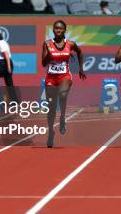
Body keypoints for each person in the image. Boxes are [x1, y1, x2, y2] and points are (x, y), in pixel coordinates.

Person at [42, 20, 86, 148]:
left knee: (62, 94)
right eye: (56, 28)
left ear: (64, 30)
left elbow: (80, 52)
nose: (58, 30)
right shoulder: (47, 44)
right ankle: (51, 132)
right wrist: (49, 55)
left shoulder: (70, 44)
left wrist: (81, 69)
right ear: (53, 30)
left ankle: (62, 119)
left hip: (64, 76)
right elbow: (43, 63)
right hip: (51, 77)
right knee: (51, 108)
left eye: (60, 28)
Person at [0, 31, 19, 102]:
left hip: (3, 64)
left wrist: (8, 66)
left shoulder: (0, 43)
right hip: (4, 63)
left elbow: (6, 54)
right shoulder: (1, 43)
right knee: (9, 84)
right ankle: (15, 101)